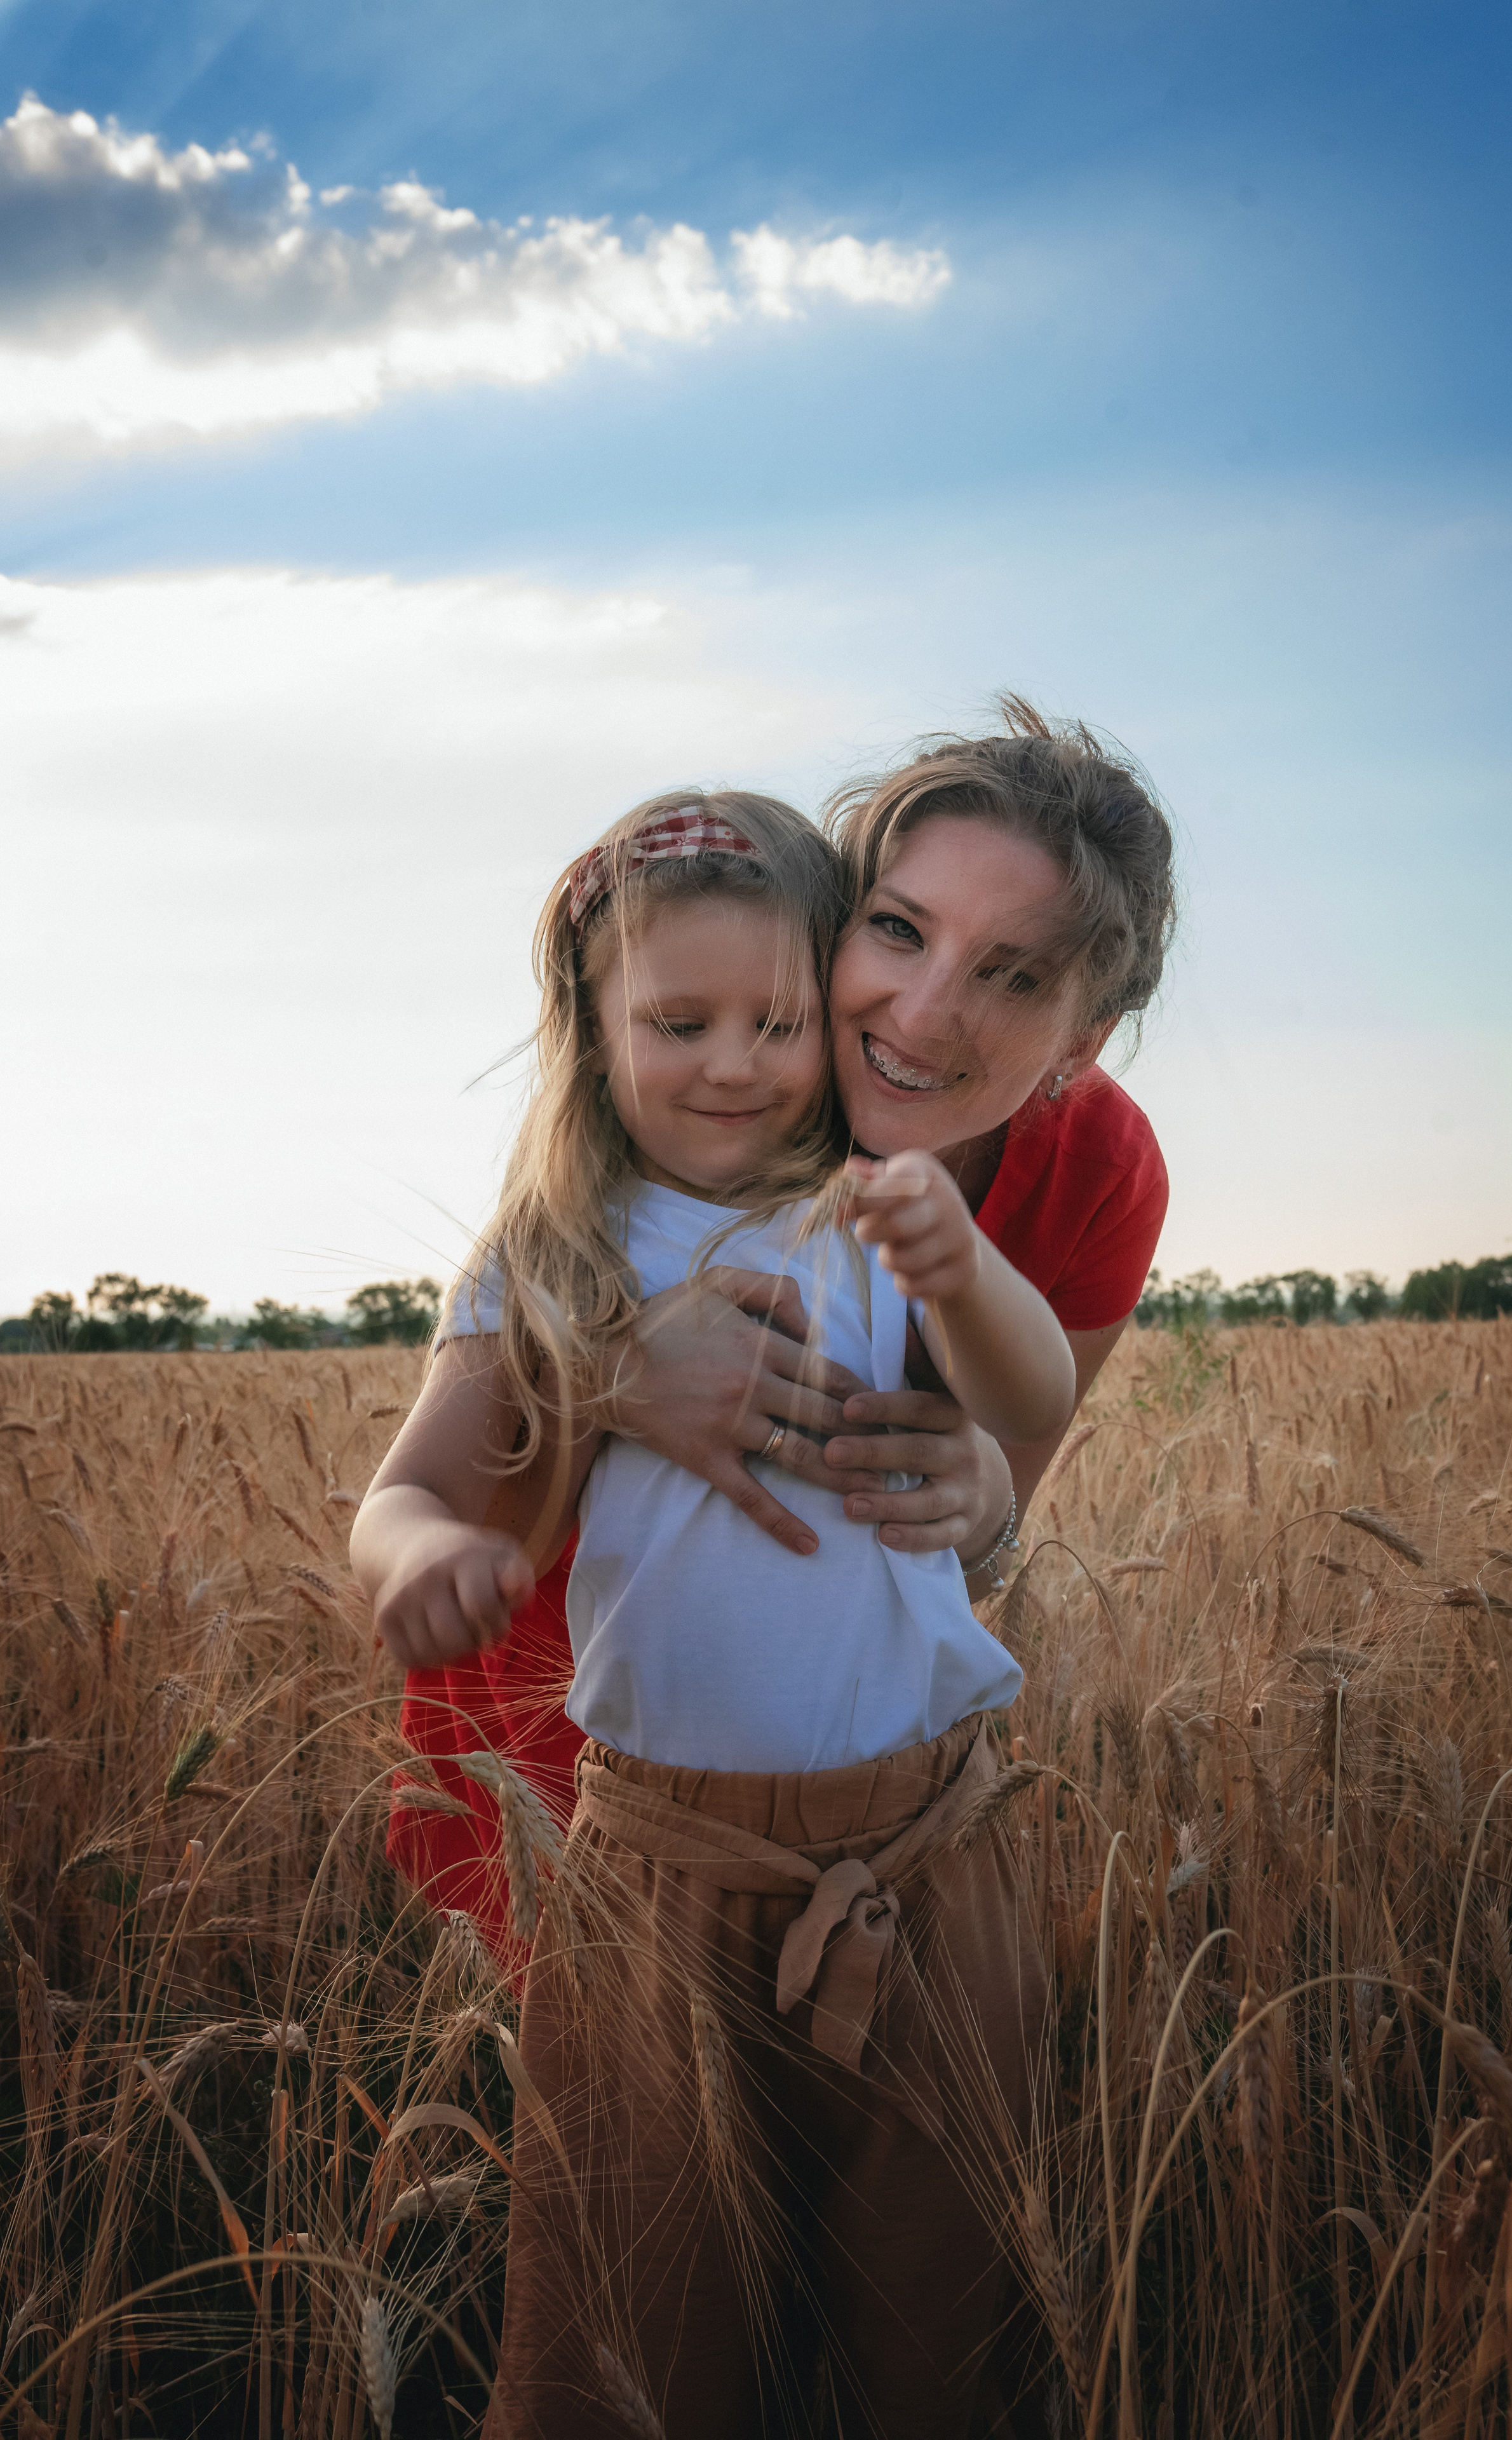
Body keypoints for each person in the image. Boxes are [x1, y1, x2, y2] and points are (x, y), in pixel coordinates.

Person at [352, 787, 1077, 2434]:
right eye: (682, 1022)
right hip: (656, 1886)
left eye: (776, 1020)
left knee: (943, 2334)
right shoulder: (553, 1261)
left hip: (921, 1863)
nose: (739, 1063)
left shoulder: (876, 1205)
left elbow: (1027, 1388)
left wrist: (961, 1266)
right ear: (594, 1031)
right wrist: (423, 1568)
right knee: (629, 2337)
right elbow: (402, 1497)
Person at [388, 699, 1177, 1965]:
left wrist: (977, 1498)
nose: (920, 1014)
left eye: (1010, 973)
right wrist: (610, 1374)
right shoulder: (686, 1138)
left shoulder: (1089, 1174)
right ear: (831, 922)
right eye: (897, 929)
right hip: (578, 1737)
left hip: (846, 1775)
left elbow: (987, 1533)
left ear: (1081, 1038)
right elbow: (455, 1491)